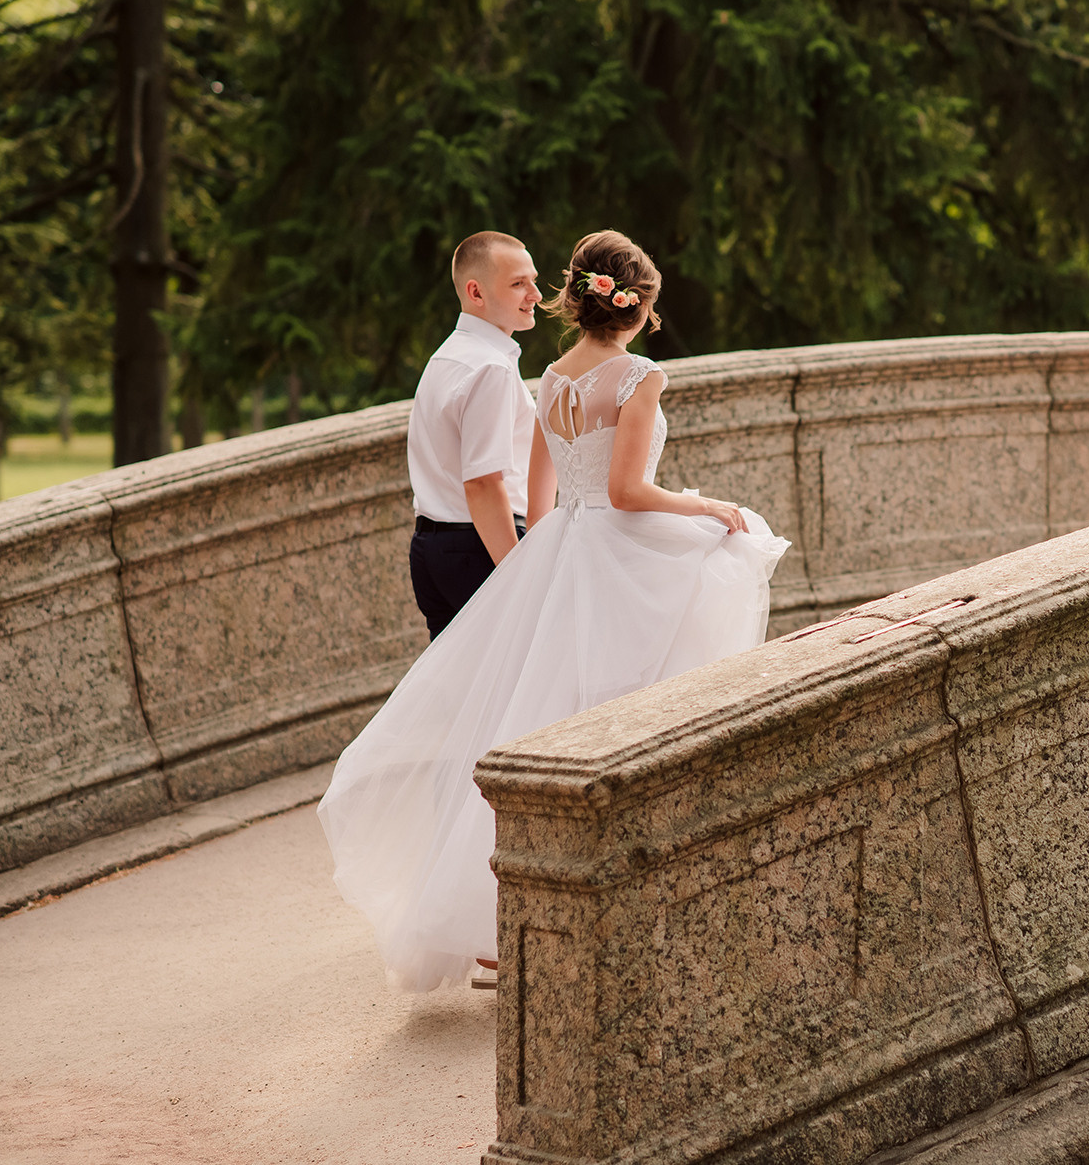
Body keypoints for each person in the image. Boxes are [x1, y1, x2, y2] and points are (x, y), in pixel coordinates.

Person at [318, 229, 789, 992]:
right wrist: (708, 504)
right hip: (612, 541)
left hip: (563, 540)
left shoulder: (552, 375)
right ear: (637, 309)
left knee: (528, 717)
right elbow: (632, 491)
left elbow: (543, 492)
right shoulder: (639, 376)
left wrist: (538, 563)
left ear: (579, 299)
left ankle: (499, 917)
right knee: (712, 580)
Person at [406, 231, 541, 640]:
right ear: (476, 292)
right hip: (478, 550)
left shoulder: (447, 354)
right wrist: (518, 576)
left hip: (431, 548)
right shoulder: (490, 368)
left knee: (463, 696)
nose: (534, 294)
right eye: (518, 284)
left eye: (532, 280)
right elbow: (483, 483)